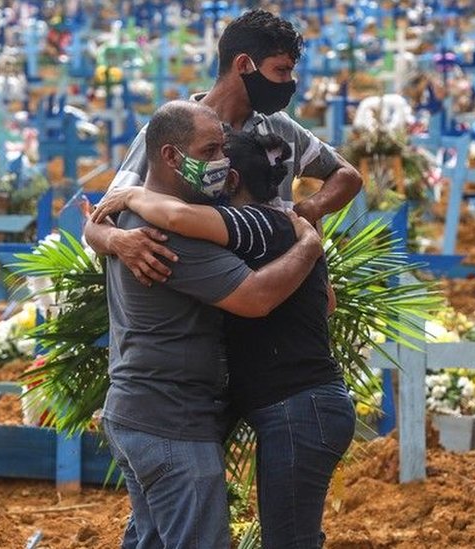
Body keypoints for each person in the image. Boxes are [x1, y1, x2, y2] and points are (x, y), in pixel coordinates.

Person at [92, 129, 356, 549]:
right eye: (207, 151)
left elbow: (182, 223)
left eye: (218, 156)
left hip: (298, 405)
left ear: (232, 181)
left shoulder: (251, 223)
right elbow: (327, 303)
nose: (210, 167)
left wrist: (132, 197)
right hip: (289, 403)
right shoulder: (279, 227)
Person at [85, 8, 362, 286]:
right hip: (210, 295)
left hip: (279, 291)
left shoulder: (279, 128)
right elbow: (97, 221)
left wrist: (308, 210)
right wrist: (119, 240)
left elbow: (346, 176)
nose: (288, 83)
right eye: (281, 71)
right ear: (244, 64)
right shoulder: (172, 132)